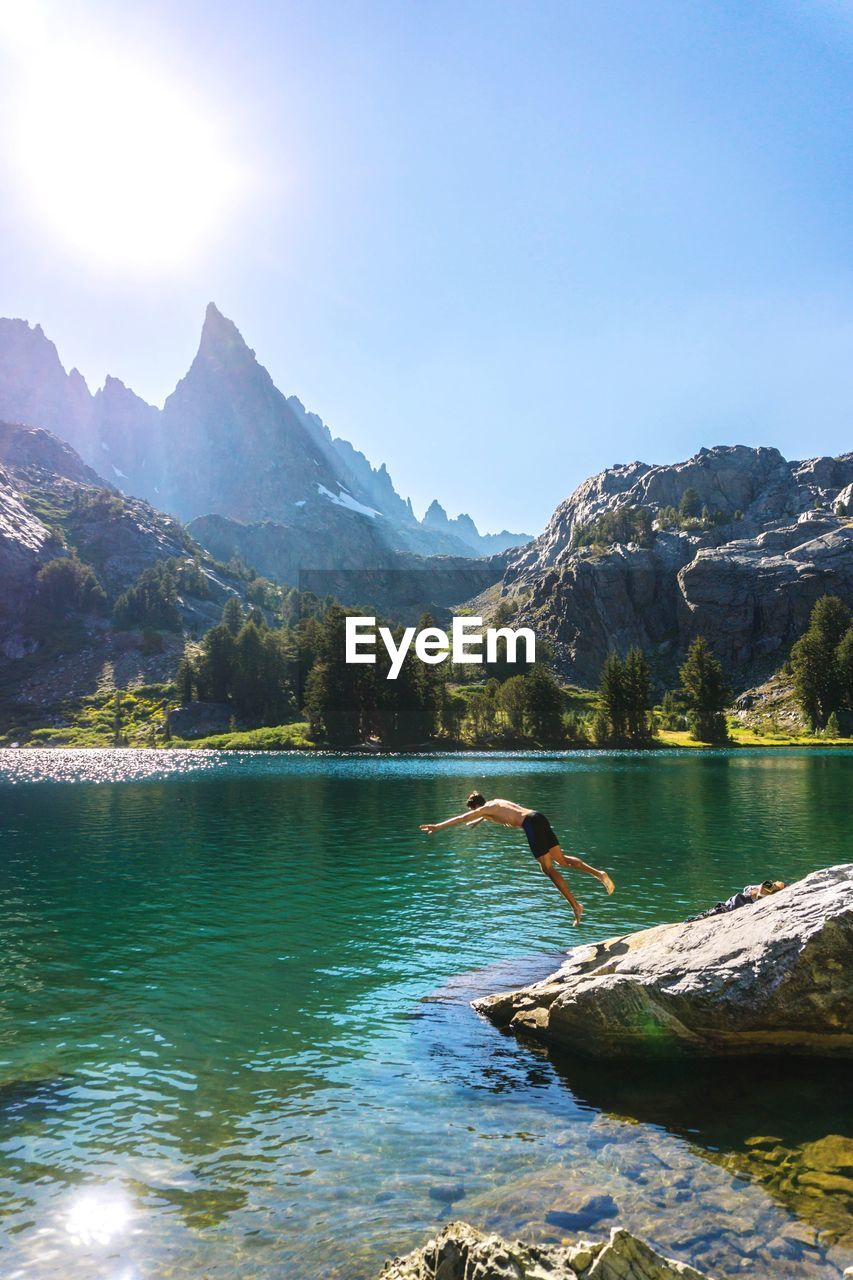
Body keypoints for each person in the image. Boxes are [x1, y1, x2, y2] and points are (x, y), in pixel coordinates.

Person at [419, 791, 615, 926]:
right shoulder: (497, 802)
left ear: (476, 806)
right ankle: (599, 874)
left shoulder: (484, 810)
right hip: (538, 816)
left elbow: (462, 819)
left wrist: (438, 826)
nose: (475, 815)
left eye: (475, 812)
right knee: (561, 860)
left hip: (530, 825)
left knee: (547, 869)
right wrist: (479, 821)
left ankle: (576, 906)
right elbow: (497, 813)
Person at [686, 879, 785, 922]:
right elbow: (748, 889)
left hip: (738, 903)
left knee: (725, 907)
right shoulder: (751, 890)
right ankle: (764, 891)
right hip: (742, 900)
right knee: (744, 894)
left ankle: (764, 891)